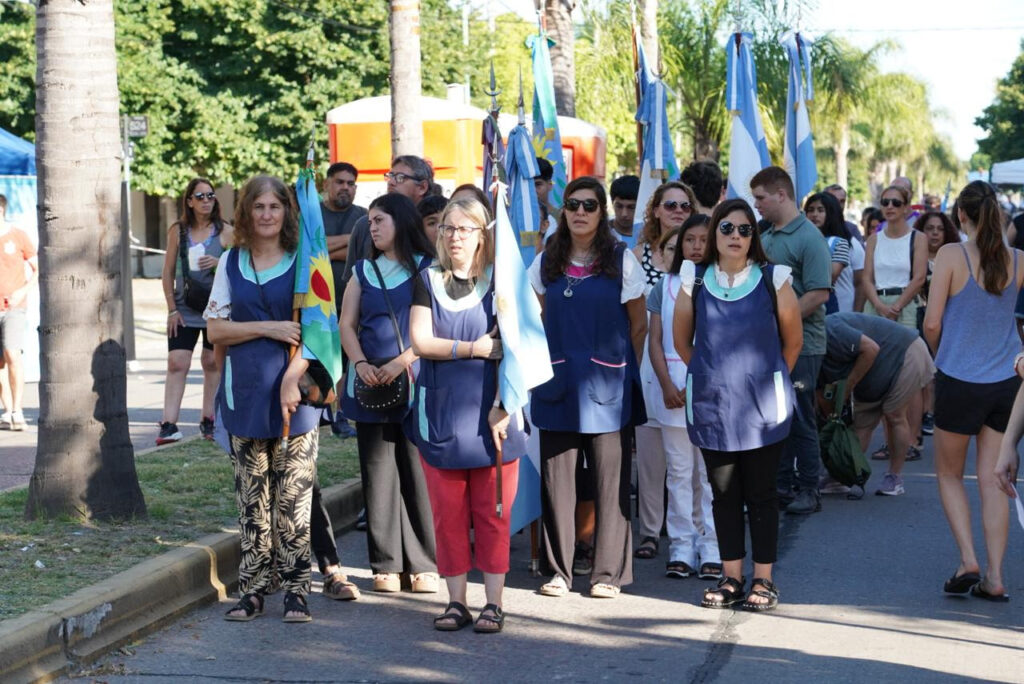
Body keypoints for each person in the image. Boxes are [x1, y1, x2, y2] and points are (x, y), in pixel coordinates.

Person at [672, 198, 802, 612]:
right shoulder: (694, 279)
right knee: (724, 494)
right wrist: (712, 375)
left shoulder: (774, 278)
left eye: (745, 230)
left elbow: (793, 342)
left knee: (762, 494)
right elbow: (682, 341)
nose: (735, 236)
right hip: (713, 405)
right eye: (726, 228)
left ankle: (764, 579)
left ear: (753, 237)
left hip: (762, 408)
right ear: (714, 234)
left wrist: (766, 380)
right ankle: (731, 577)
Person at [407, 197, 524, 633]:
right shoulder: (427, 280)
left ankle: (494, 604)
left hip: (494, 415)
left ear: (482, 235)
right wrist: (472, 348)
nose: (455, 237)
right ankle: (456, 602)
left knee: (493, 515)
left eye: (465, 229)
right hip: (441, 416)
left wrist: (504, 406)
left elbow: (520, 350)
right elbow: (421, 341)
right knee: (448, 517)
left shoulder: (502, 282)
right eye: (448, 228)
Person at [206, 175, 319, 623]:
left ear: (287, 212)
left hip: (295, 395)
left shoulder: (305, 262)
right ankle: (252, 590)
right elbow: (216, 330)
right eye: (259, 207)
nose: (267, 214)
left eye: (275, 206)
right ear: (246, 213)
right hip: (246, 392)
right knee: (252, 503)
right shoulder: (231, 262)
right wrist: (270, 327)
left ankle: (296, 590)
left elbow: (320, 332)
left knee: (293, 503)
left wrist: (293, 376)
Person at [528, 176, 647, 599]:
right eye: (573, 204)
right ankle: (559, 572)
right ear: (563, 210)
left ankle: (607, 574)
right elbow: (534, 320)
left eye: (589, 205)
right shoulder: (545, 261)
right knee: (557, 482)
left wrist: (618, 369)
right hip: (557, 382)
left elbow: (638, 325)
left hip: (607, 386)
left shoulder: (622, 259)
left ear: (602, 212)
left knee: (610, 483)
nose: (580, 212)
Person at [923, 180, 1024, 602]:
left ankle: (968, 559)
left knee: (949, 474)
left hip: (959, 378)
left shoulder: (952, 254)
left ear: (961, 215)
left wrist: (940, 355)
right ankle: (995, 576)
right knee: (993, 478)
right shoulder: (1019, 259)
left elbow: (932, 323)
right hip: (1006, 383)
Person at [339, 192, 438, 594]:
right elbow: (346, 325)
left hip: (416, 383)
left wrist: (401, 362)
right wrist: (362, 364)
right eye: (371, 221)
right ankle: (385, 564)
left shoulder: (428, 269)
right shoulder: (362, 271)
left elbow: (437, 327)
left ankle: (424, 564)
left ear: (402, 221)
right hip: (369, 386)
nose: (373, 227)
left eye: (380, 220)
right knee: (378, 474)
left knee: (417, 472)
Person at [642, 214, 720, 579]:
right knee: (678, 472)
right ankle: (681, 547)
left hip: (712, 392)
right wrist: (666, 384)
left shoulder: (723, 283)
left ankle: (713, 547)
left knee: (709, 476)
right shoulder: (665, 285)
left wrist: (704, 384)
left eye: (704, 239)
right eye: (689, 239)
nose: (696, 246)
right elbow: (654, 342)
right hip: (672, 390)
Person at [752, 166, 831, 515]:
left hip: (804, 343)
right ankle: (781, 485)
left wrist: (779, 320)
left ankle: (810, 488)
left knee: (800, 417)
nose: (756, 205)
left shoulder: (809, 238)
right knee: (776, 415)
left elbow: (819, 293)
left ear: (781, 195)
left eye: (761, 198)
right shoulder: (767, 234)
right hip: (770, 342)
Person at [819, 313, 935, 496]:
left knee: (894, 415)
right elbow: (821, 395)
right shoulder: (810, 351)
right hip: (872, 368)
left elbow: (871, 349)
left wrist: (848, 386)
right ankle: (843, 476)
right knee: (862, 423)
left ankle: (895, 477)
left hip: (905, 351)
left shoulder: (831, 329)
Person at [158, 178, 233, 444]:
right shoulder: (178, 231)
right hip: (184, 307)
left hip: (215, 308)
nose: (206, 201)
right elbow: (167, 271)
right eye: (199, 196)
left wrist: (219, 261)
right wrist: (171, 309)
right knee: (177, 361)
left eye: (210, 195)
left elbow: (241, 265)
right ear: (189, 201)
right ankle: (168, 424)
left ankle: (208, 420)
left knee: (212, 362)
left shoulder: (226, 231)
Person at [340, 155, 434, 289]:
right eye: (390, 176)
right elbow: (351, 282)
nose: (391, 182)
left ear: (422, 187)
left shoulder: (432, 225)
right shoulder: (364, 224)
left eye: (400, 178)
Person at [914, 211, 959, 437]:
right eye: (930, 228)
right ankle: (921, 413)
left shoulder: (954, 258)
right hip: (917, 315)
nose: (934, 233)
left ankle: (932, 412)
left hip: (947, 319)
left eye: (940, 229)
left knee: (938, 367)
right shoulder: (914, 258)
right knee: (921, 367)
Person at [862, 185, 928, 330]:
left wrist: (896, 307)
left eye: (896, 203)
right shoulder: (873, 240)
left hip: (905, 305)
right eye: (885, 202)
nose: (890, 206)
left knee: (907, 344)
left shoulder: (918, 238)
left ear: (906, 207)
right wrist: (879, 306)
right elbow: (866, 278)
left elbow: (919, 278)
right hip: (875, 303)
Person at [0, 193, 37, 431]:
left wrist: (22, 291)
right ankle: (8, 411)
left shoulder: (18, 236)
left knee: (12, 353)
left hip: (13, 306)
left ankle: (17, 410)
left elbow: (38, 269)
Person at [633, 181, 695, 290]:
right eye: (670, 205)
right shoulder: (639, 255)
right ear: (656, 211)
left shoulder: (699, 252)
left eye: (685, 206)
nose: (679, 210)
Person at [803, 192, 851, 315]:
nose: (814, 215)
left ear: (831, 214)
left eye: (820, 210)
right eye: (810, 210)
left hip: (825, 301)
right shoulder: (799, 240)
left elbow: (830, 275)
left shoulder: (838, 243)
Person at [608, 175, 640, 241]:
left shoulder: (650, 236)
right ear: (612, 203)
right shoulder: (599, 234)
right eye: (619, 206)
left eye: (631, 207)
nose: (624, 214)